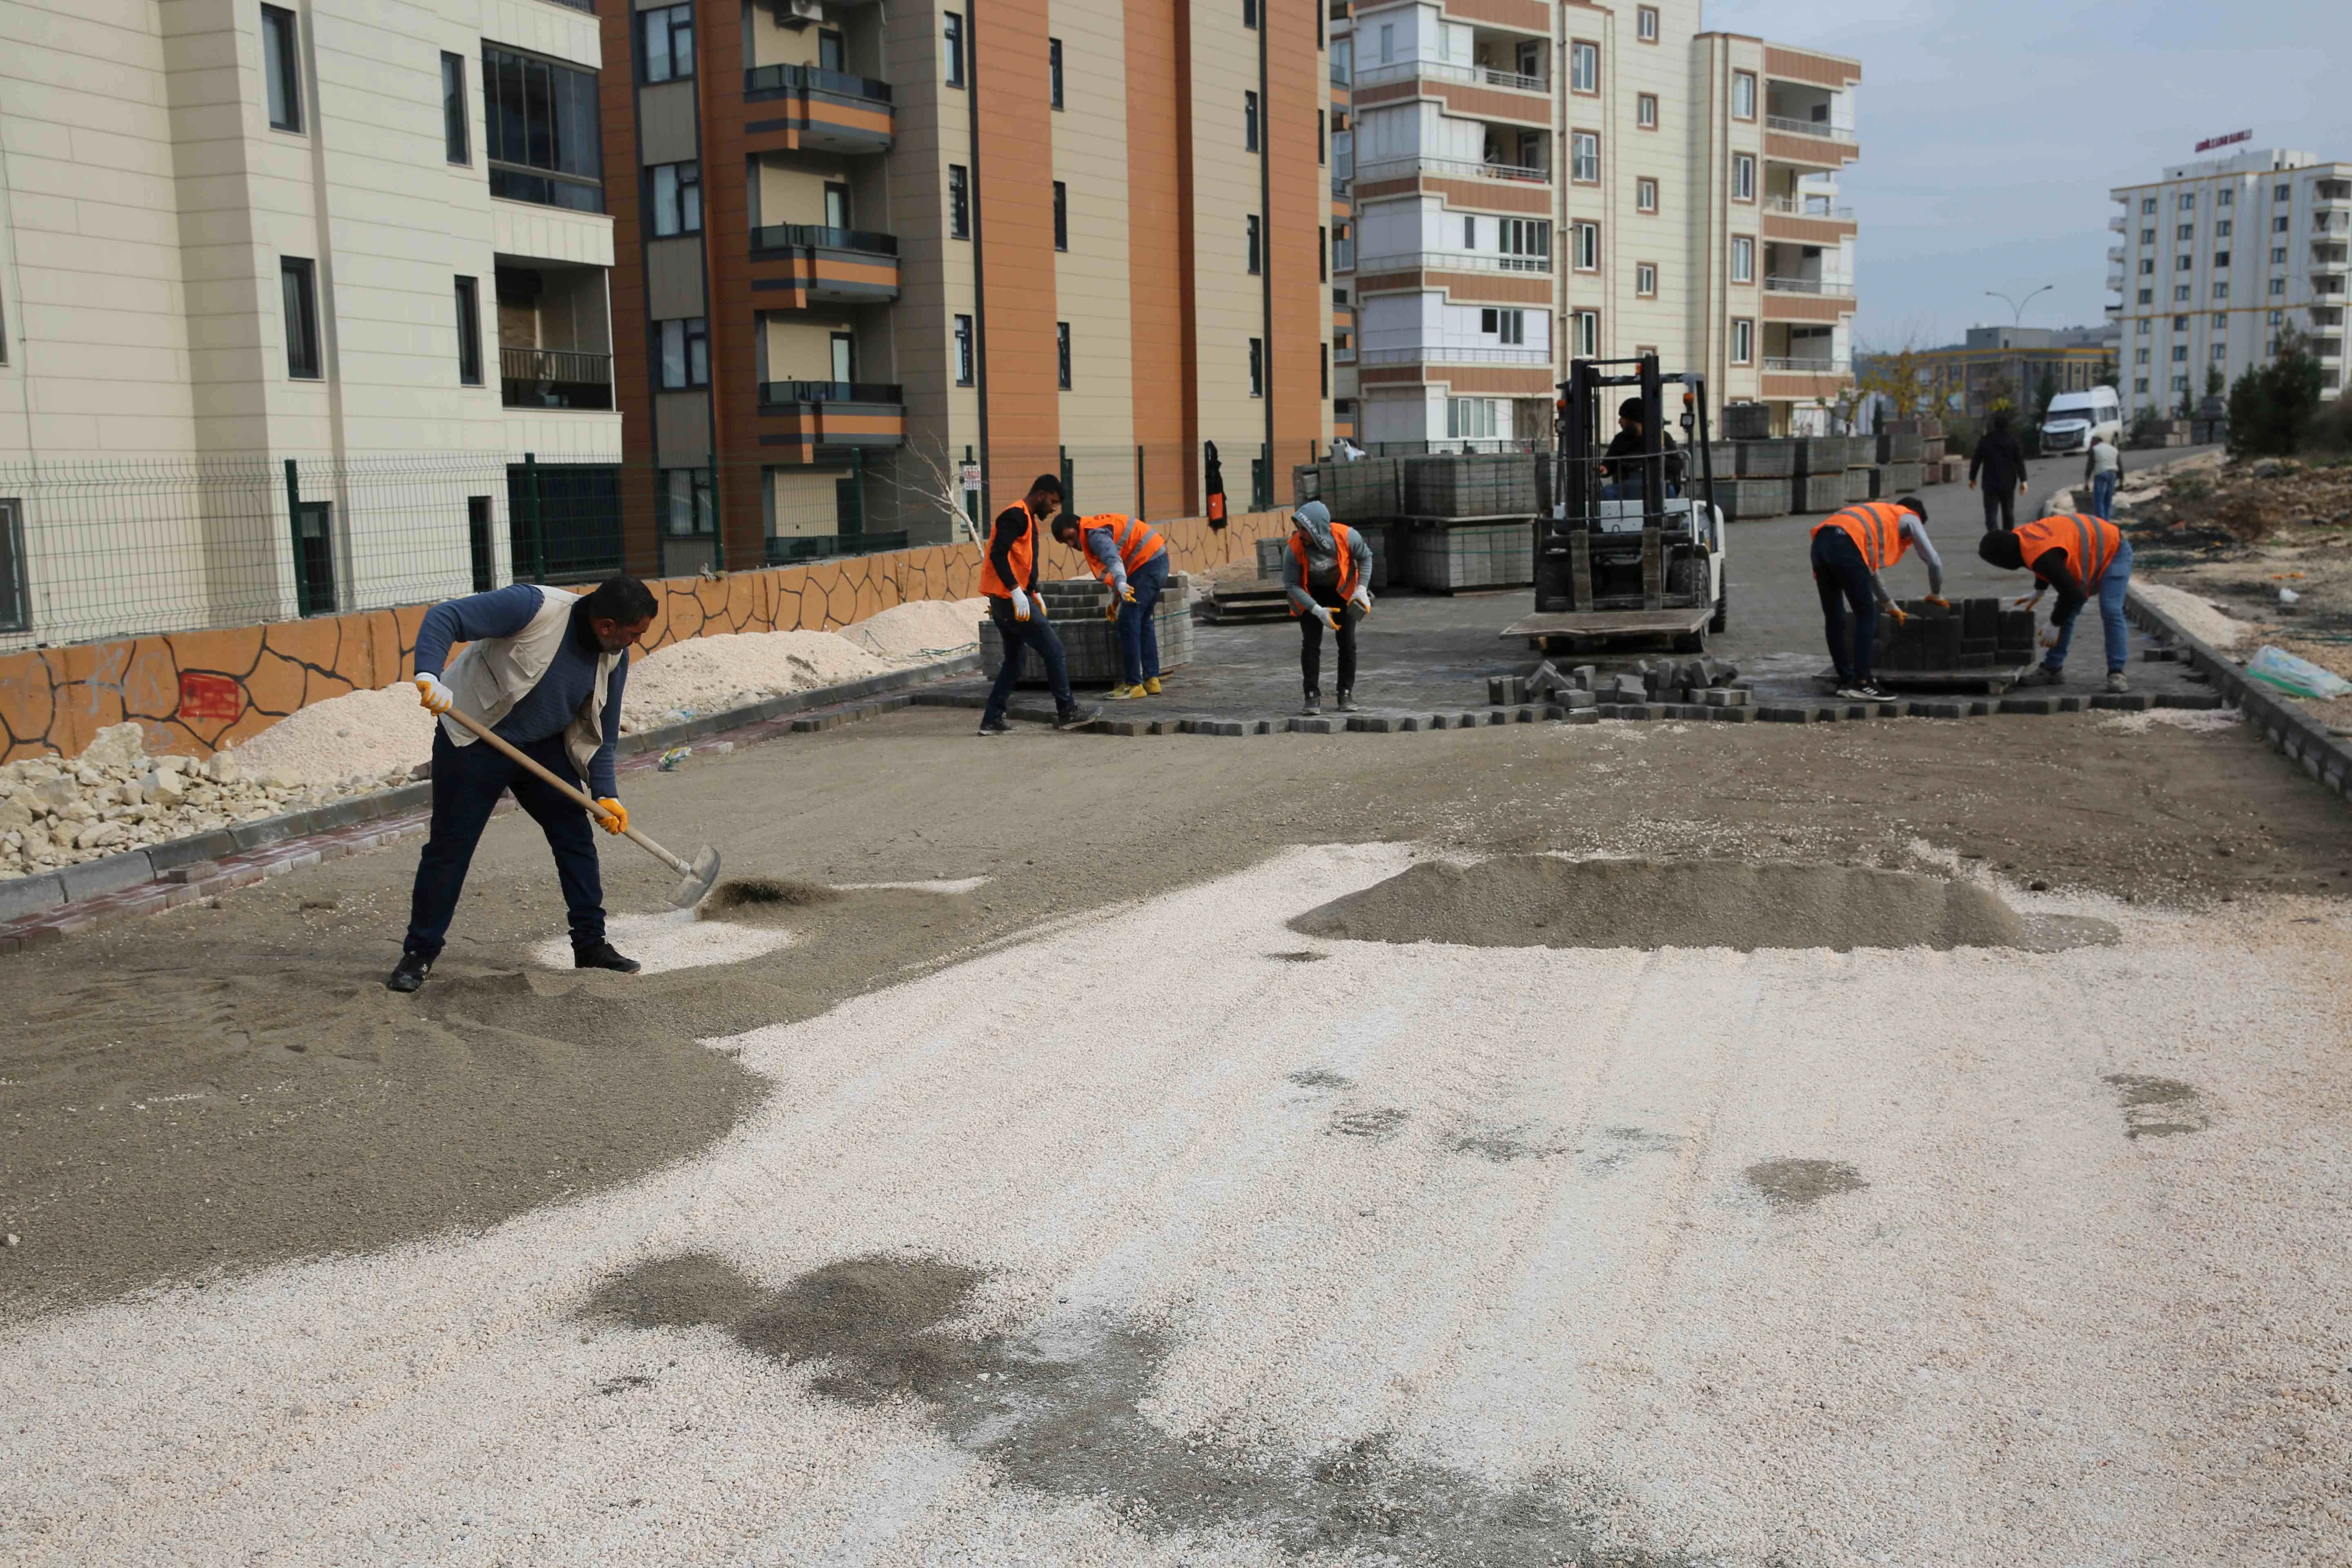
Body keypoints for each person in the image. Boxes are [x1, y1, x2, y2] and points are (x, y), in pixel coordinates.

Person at [389, 574, 656, 993]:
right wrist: (428, 676)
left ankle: (590, 946)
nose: (636, 642)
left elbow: (604, 728)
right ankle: (419, 954)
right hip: (474, 738)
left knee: (575, 838)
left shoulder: (613, 657)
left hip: (540, 747)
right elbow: (445, 618)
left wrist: (606, 793)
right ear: (607, 625)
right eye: (634, 633)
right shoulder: (533, 608)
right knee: (450, 849)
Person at [978, 473, 1101, 737]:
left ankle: (992, 718)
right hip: (1010, 601)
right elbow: (998, 554)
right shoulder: (1016, 515)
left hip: (1009, 600)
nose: (1054, 508)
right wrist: (1016, 592)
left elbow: (1021, 562)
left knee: (1015, 661)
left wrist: (1032, 591)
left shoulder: (1027, 519)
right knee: (1054, 650)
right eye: (1053, 502)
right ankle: (1067, 711)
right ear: (1041, 495)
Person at [1977, 512, 2134, 693]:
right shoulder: (2020, 537)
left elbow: (2066, 587)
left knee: (2110, 609)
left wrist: (2054, 623)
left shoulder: (2040, 555)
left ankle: (2117, 672)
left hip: (2113, 549)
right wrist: (2040, 589)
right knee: (2065, 611)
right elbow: (2043, 560)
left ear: (2005, 560)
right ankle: (2052, 669)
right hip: (2087, 549)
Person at [1809, 495, 1947, 702]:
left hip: (1821, 543)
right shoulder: (1909, 517)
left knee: (1835, 615)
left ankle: (1847, 680)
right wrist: (1936, 593)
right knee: (1867, 615)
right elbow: (1934, 561)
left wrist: (1889, 604)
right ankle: (1863, 681)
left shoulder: (1875, 514)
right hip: (1845, 544)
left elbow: (1869, 568)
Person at [1052, 511, 1170, 699]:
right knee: (1144, 621)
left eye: (1071, 538)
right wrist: (1115, 596)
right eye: (1065, 543)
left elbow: (1113, 559)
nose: (1071, 545)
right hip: (1157, 560)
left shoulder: (1094, 535)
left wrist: (1122, 583)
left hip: (1148, 564)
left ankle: (1133, 684)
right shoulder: (1094, 529)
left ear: (1077, 525)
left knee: (1128, 622)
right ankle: (1152, 680)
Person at [1284, 501, 1371, 715]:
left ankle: (1346, 694)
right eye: (1299, 528)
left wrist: (1361, 590)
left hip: (1342, 593)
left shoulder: (1347, 537)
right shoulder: (1294, 548)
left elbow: (1366, 557)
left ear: (1317, 527)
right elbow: (1292, 585)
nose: (1300, 533)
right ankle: (1312, 697)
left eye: (1305, 529)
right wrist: (1317, 610)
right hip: (1310, 595)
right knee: (1311, 645)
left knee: (1348, 643)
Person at [1598, 397, 1680, 501]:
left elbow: (1677, 465)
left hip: (1656, 487)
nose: (1619, 422)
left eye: (1623, 418)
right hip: (1625, 489)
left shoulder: (1661, 437)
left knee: (1670, 491)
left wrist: (1660, 461)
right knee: (1606, 493)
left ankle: (1669, 517)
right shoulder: (1620, 439)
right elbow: (1609, 463)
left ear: (1634, 420)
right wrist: (1604, 469)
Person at [1968, 409, 2031, 532]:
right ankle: (2007, 538)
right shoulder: (2013, 441)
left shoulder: (1986, 441)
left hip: (1990, 484)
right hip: (2008, 483)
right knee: (2008, 512)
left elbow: (1976, 461)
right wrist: (2023, 480)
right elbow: (2019, 462)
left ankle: (1994, 536)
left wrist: (1972, 478)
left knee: (1991, 513)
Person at [2084, 430, 2125, 520]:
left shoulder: (2094, 449)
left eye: (2092, 442)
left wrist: (2086, 483)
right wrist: (2122, 483)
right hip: (2113, 474)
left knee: (2099, 499)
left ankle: (2100, 522)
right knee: (2108, 499)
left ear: (2095, 442)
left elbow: (2089, 467)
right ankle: (2107, 521)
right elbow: (2120, 467)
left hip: (2101, 474)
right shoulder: (2114, 449)